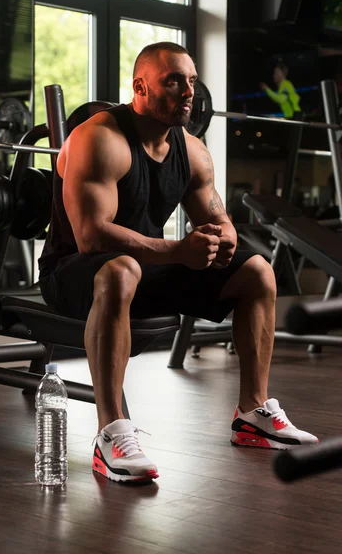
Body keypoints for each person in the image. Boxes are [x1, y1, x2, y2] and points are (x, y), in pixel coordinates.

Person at [39, 42, 318, 483]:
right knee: (120, 268)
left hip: (144, 272)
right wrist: (178, 251)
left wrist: (223, 238)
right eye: (173, 81)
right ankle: (111, 432)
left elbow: (217, 216)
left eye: (191, 82)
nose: (187, 91)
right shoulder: (100, 138)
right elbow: (91, 238)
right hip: (72, 273)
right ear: (140, 87)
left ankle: (252, 413)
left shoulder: (191, 150)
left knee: (257, 270)